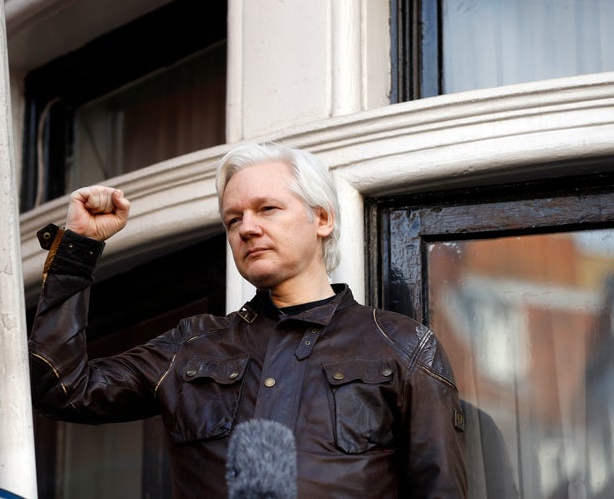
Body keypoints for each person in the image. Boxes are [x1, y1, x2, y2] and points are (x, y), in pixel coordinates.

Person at [28, 142, 467, 497]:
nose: (246, 228)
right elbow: (60, 389)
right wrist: (77, 248)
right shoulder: (192, 346)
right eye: (233, 218)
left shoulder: (403, 346)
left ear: (322, 218)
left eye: (267, 209)